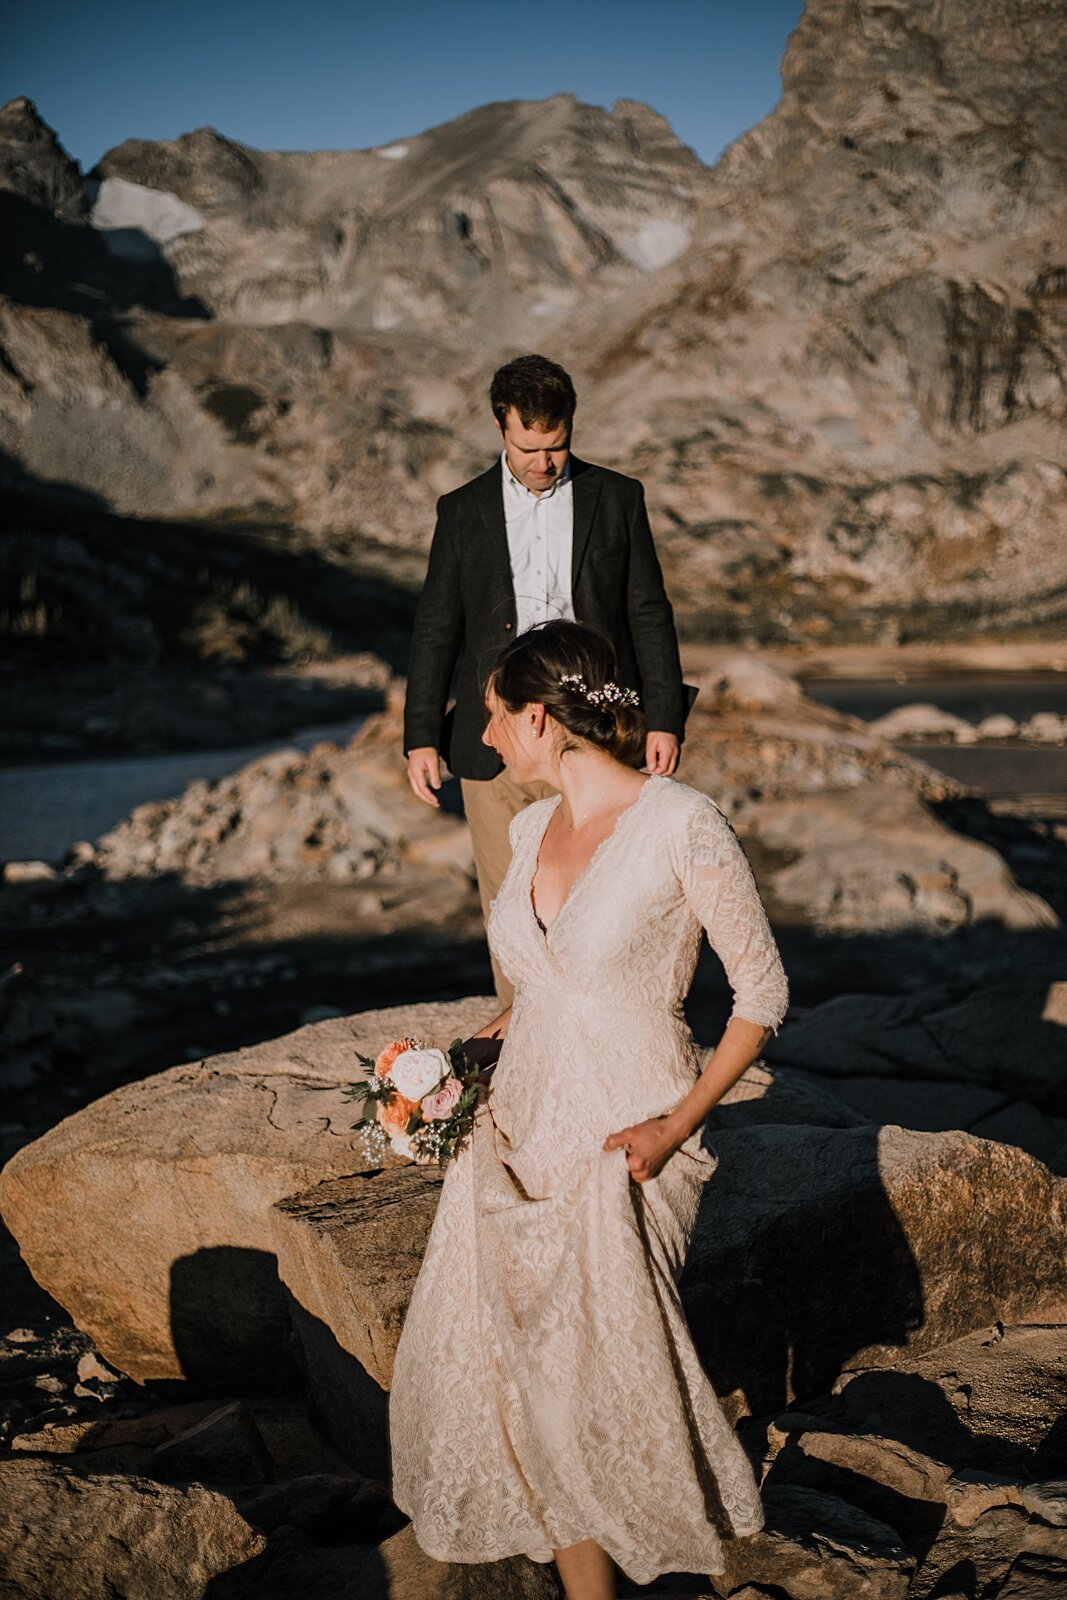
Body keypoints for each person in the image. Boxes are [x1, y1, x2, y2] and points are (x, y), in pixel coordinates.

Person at [390, 620, 789, 1600]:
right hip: (517, 1133)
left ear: (537, 716)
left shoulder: (681, 823)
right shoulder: (527, 832)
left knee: (589, 1389)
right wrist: (450, 1070)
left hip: (626, 1141)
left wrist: (675, 1123)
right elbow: (537, 990)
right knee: (530, 1398)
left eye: (490, 716)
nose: (483, 740)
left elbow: (762, 996)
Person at [403, 353, 688, 1005]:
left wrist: (664, 718)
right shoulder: (461, 510)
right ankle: (520, 1035)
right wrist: (421, 735)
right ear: (500, 429)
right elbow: (436, 627)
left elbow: (648, 612)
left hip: (594, 732)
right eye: (527, 448)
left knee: (603, 897)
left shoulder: (617, 498)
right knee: (509, 904)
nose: (543, 463)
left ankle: (603, 1034)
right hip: (492, 735)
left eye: (556, 446)